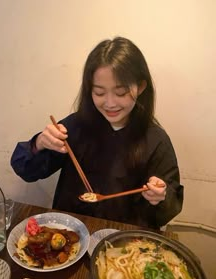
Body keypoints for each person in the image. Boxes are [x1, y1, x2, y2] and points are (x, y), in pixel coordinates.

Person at [11, 36, 183, 229]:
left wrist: (160, 196)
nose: (110, 103)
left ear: (141, 87)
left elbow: (170, 206)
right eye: (99, 93)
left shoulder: (156, 141)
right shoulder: (75, 127)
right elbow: (25, 170)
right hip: (71, 237)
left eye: (121, 93)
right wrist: (39, 144)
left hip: (123, 243)